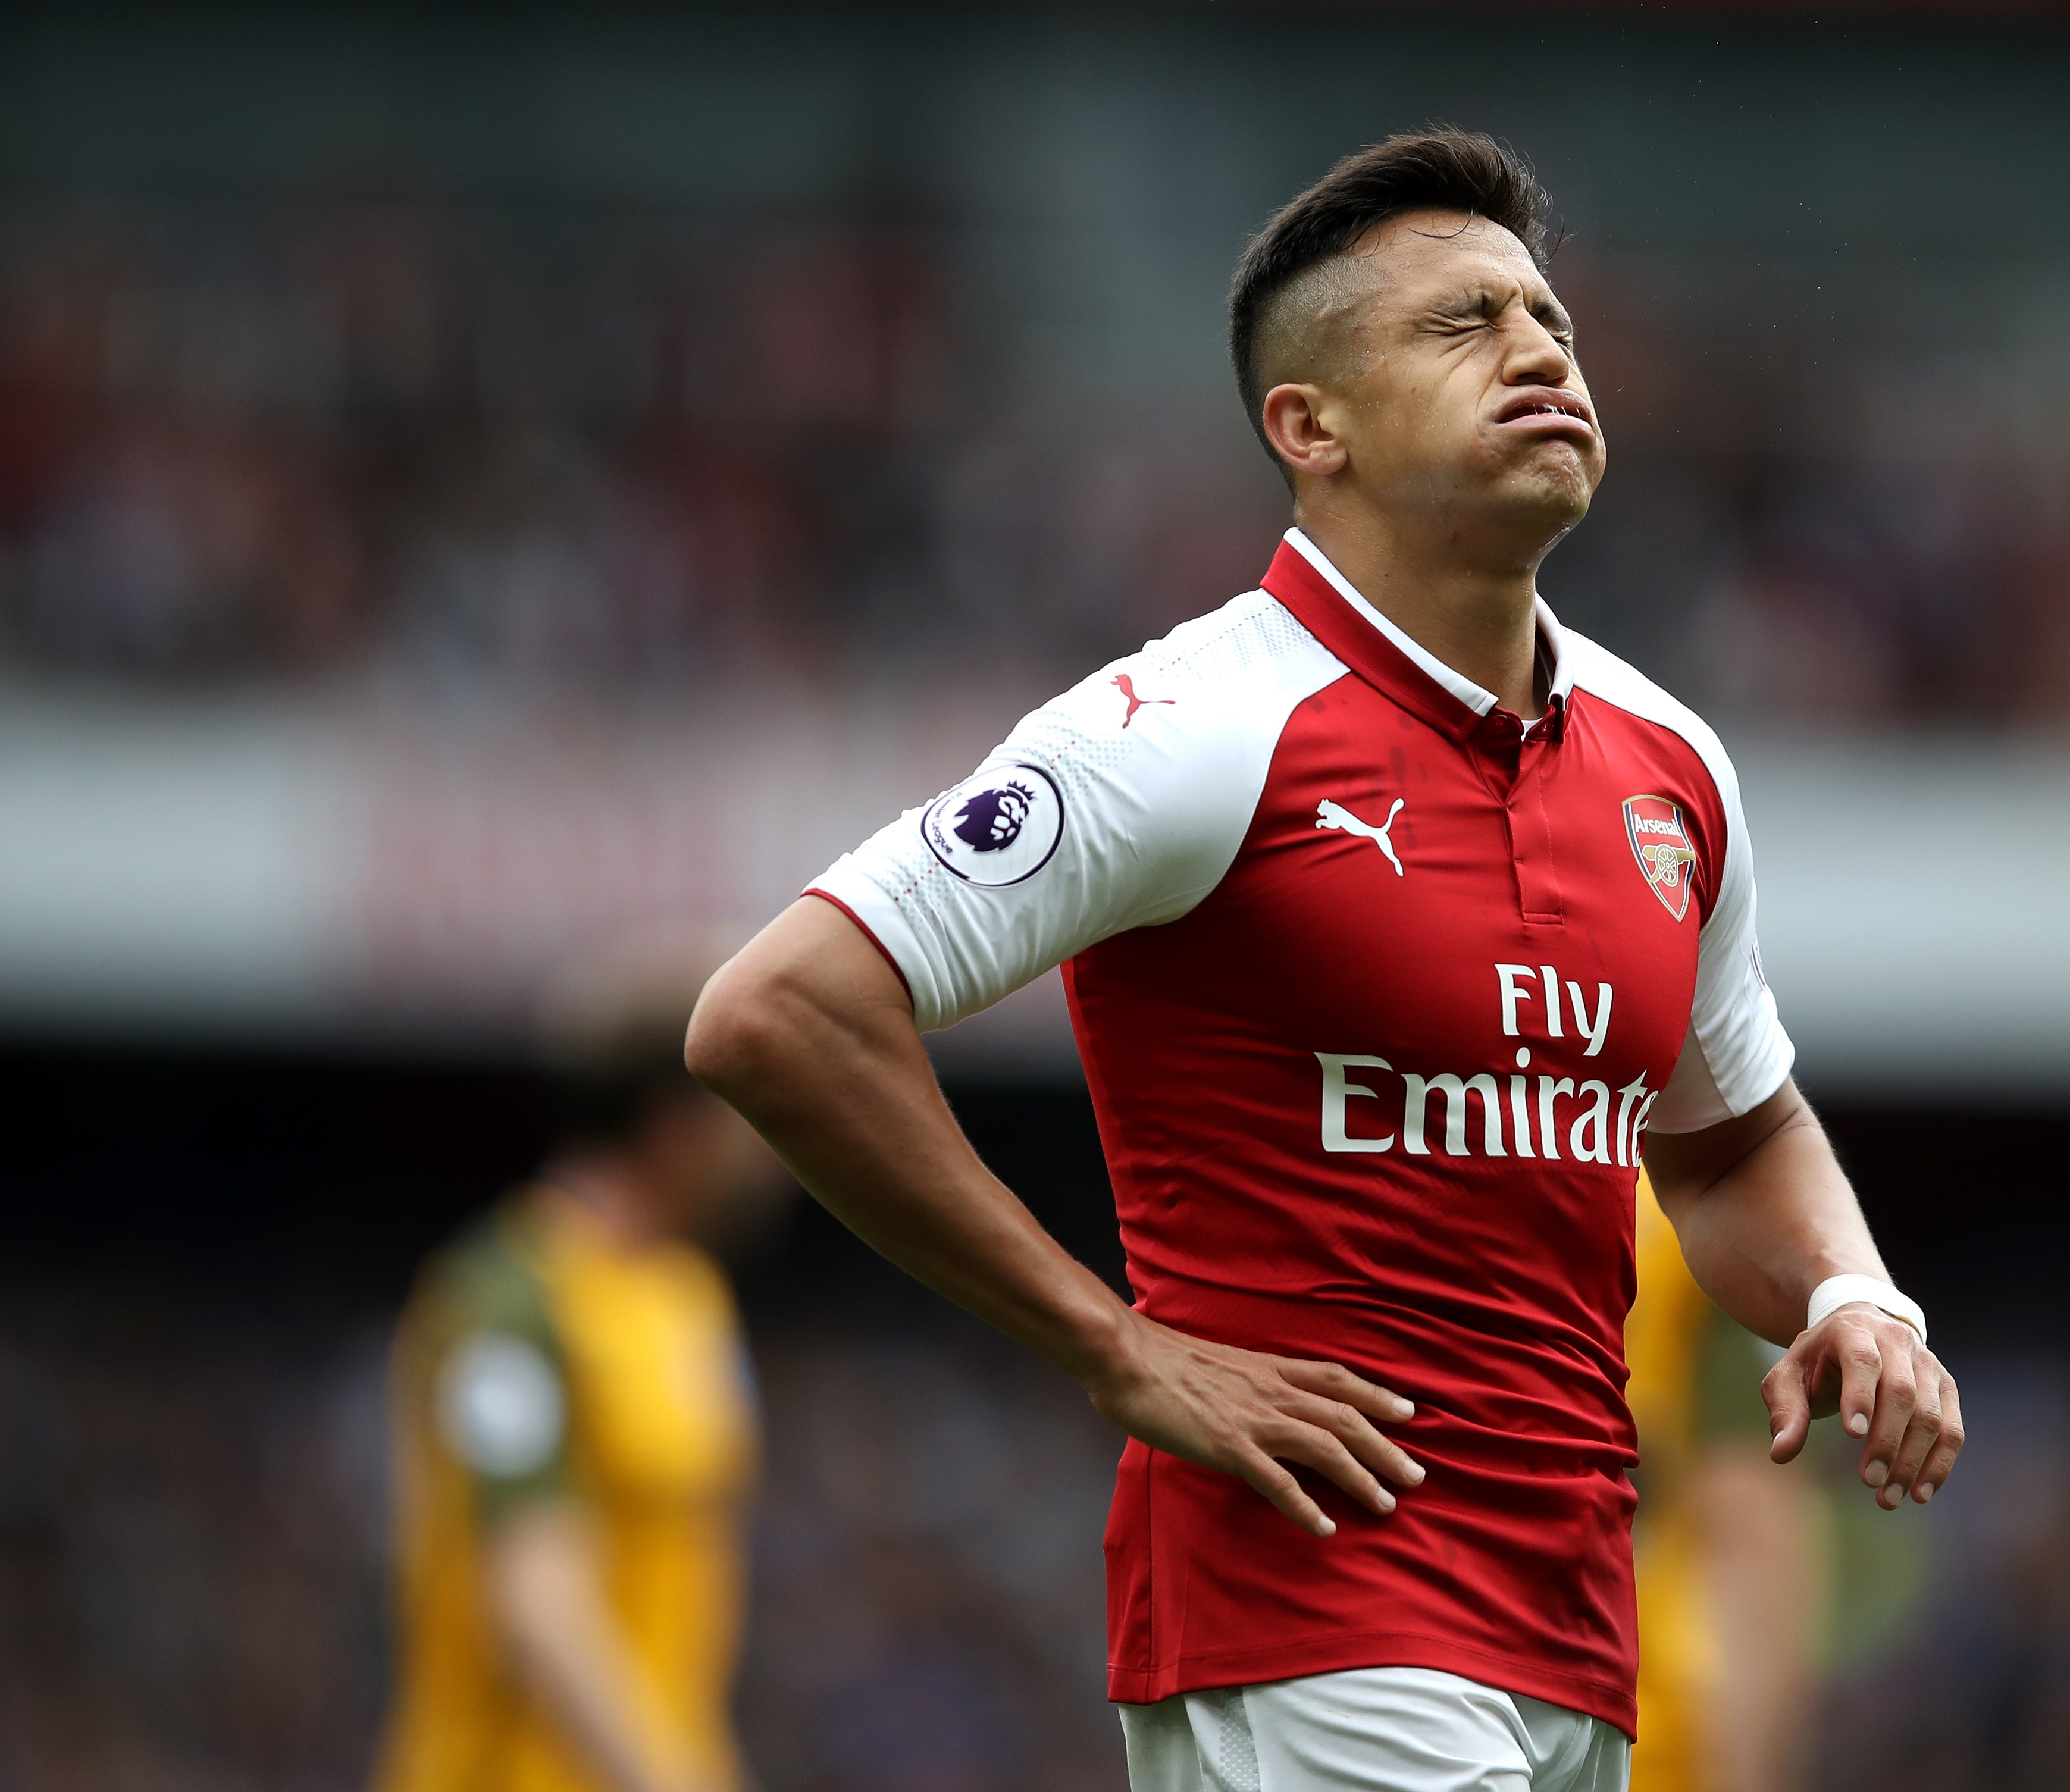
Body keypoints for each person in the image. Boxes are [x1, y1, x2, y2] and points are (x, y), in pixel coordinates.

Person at [688, 129, 1962, 1791]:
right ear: (1312, 426)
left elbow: (1730, 1138)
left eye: (1549, 320)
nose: (1537, 351)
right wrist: (1114, 1342)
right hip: (1309, 1609)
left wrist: (1855, 1292)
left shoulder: (1672, 764)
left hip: (1576, 1619)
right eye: (1462, 323)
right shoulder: (1191, 726)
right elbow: (777, 1010)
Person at [371, 974, 783, 1792]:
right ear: (679, 1124)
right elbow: (534, 1597)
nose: (775, 1146)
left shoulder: (686, 1298)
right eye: (755, 1107)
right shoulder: (508, 1303)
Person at [1627, 1179, 1823, 1792]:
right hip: (1636, 1729)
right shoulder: (1684, 1208)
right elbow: (1752, 1537)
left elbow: (1749, 1529)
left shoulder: (1351, 1180)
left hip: (1393, 1696)